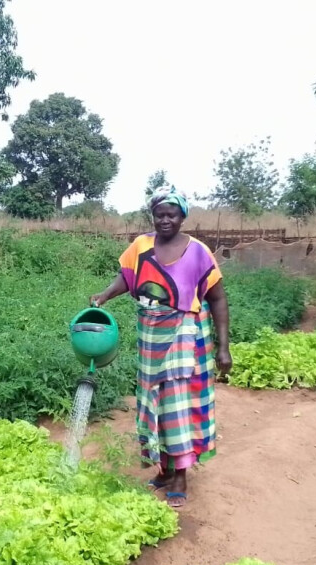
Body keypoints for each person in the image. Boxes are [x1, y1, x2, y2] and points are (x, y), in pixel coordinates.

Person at [90, 185, 231, 508]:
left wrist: (223, 347)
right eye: (159, 214)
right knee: (153, 402)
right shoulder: (141, 245)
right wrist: (104, 295)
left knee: (179, 405)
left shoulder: (199, 252)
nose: (165, 220)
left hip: (186, 336)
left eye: (172, 214)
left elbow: (219, 298)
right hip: (151, 336)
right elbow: (127, 278)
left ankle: (181, 474)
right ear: (152, 215)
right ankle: (165, 468)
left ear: (182, 216)